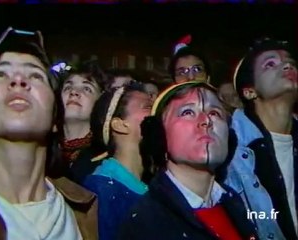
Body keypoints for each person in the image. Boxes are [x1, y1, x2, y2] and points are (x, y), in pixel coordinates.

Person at [0, 27, 98, 240]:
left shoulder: (86, 209)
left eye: (35, 76)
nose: (18, 81)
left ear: (55, 118)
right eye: (0, 74)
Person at [118, 81, 258, 240]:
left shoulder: (234, 202)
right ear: (160, 137)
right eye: (187, 112)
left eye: (215, 113)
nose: (206, 121)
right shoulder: (145, 222)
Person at [224, 37, 298, 239]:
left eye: (290, 61)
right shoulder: (230, 147)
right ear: (249, 91)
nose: (287, 65)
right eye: (270, 64)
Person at [82, 81, 153, 240]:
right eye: (148, 107)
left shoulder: (153, 185)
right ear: (119, 125)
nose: (159, 113)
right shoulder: (101, 190)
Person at [56, 60, 108, 183]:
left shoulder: (103, 159)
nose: (74, 92)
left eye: (87, 88)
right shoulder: (43, 150)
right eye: (68, 87)